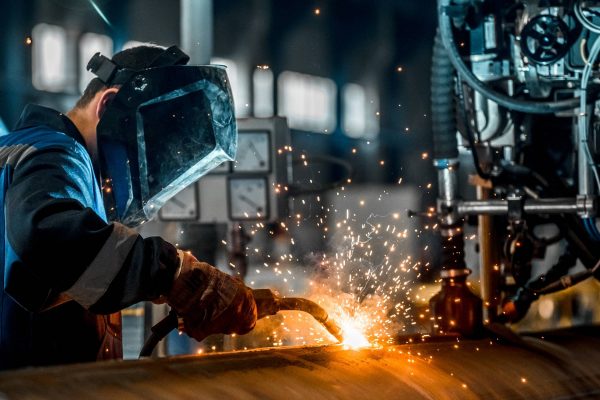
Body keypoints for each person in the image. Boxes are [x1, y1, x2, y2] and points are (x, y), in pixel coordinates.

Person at [0, 44, 257, 370]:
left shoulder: (25, 154)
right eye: (142, 158)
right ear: (107, 106)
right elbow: (45, 237)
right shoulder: (57, 152)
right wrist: (174, 275)